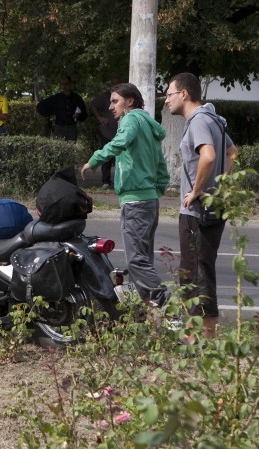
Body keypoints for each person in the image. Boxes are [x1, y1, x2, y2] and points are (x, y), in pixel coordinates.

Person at [81, 82, 170, 306]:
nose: (110, 107)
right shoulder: (148, 124)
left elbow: (121, 142)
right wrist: (155, 189)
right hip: (149, 199)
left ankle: (164, 305)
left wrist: (95, 159)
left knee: (137, 261)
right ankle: (147, 311)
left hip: (136, 200)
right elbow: (160, 164)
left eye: (115, 101)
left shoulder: (130, 119)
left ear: (129, 101)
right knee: (144, 259)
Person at [164, 72, 237, 339]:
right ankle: (207, 334)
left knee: (192, 273)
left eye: (169, 94)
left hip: (197, 211)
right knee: (202, 269)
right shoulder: (214, 119)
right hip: (213, 207)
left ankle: (198, 336)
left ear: (184, 94)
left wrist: (197, 190)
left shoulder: (198, 121)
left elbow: (209, 155)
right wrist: (221, 187)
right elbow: (233, 152)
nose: (166, 100)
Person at [91, 78, 123, 189]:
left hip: (120, 132)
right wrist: (99, 117)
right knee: (106, 155)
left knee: (121, 156)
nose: (111, 107)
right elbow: (93, 104)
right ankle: (106, 181)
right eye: (113, 83)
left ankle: (120, 180)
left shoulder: (124, 97)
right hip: (107, 131)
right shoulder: (104, 96)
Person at [37, 76, 88, 141]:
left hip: (71, 127)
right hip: (59, 127)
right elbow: (40, 106)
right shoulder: (56, 98)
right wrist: (50, 113)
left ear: (70, 84)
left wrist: (78, 116)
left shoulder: (77, 98)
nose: (64, 86)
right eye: (62, 84)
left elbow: (84, 114)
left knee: (71, 149)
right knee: (59, 149)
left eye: (66, 84)